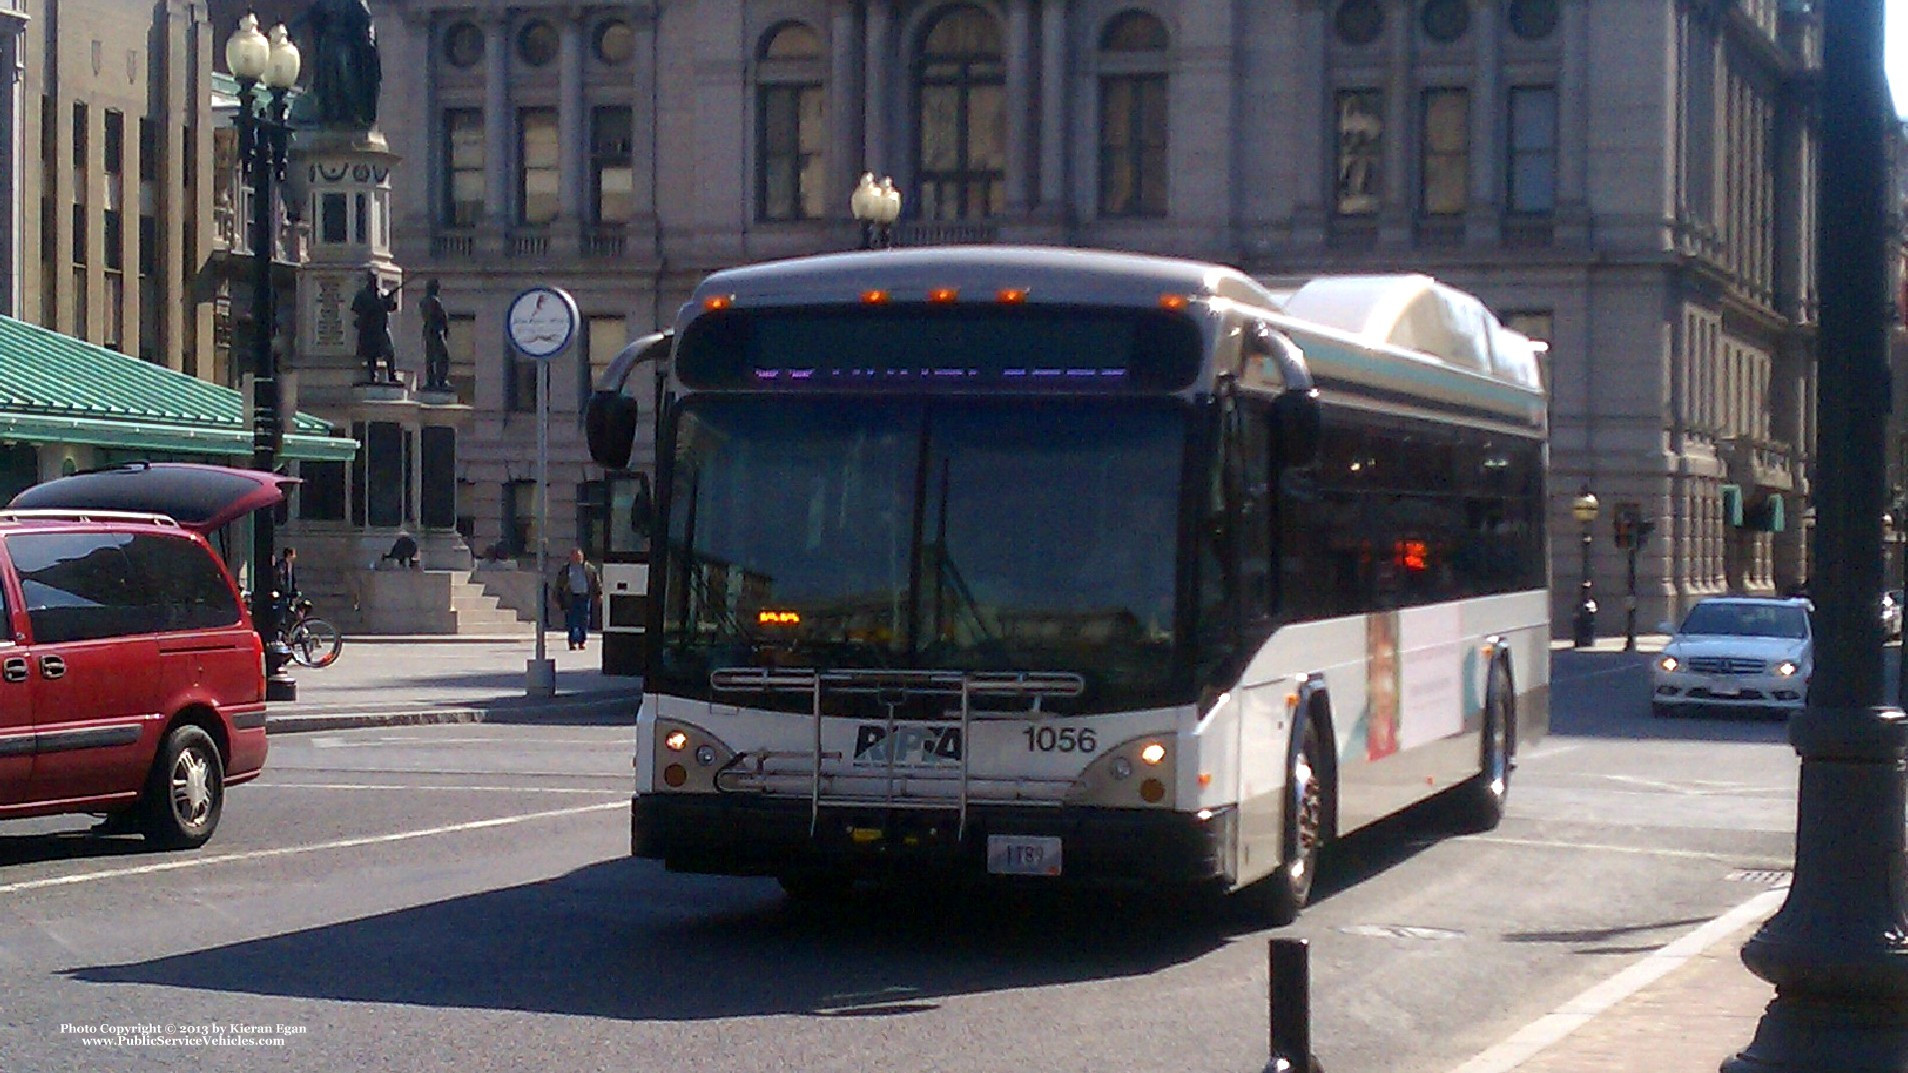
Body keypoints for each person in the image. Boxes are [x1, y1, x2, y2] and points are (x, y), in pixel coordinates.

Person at [291, 0, 382, 129]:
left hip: (345, 43)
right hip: (328, 44)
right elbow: (309, 15)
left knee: (347, 77)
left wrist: (369, 40)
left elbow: (366, 20)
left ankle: (353, 114)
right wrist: (292, 31)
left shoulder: (355, 3)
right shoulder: (325, 3)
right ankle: (332, 114)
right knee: (328, 80)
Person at [551, 547, 602, 651]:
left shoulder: (589, 569)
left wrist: (599, 594)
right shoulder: (566, 569)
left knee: (584, 620)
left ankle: (581, 641)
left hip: (585, 597)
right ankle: (572, 642)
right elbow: (559, 584)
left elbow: (596, 583)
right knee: (572, 621)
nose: (577, 558)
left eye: (579, 556)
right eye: (575, 556)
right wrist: (557, 598)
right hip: (571, 597)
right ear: (571, 557)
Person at [352, 271, 398, 383]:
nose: (374, 282)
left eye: (376, 279)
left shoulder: (383, 293)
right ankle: (372, 376)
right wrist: (371, 307)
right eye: (372, 279)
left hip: (382, 328)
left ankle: (392, 376)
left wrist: (390, 299)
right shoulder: (362, 294)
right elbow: (356, 308)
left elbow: (391, 307)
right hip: (369, 328)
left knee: (390, 352)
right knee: (370, 355)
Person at [420, 278, 451, 392]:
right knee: (443, 357)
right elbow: (443, 317)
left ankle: (431, 381)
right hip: (436, 331)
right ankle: (441, 381)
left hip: (428, 331)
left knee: (430, 357)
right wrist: (445, 330)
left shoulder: (423, 301)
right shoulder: (435, 301)